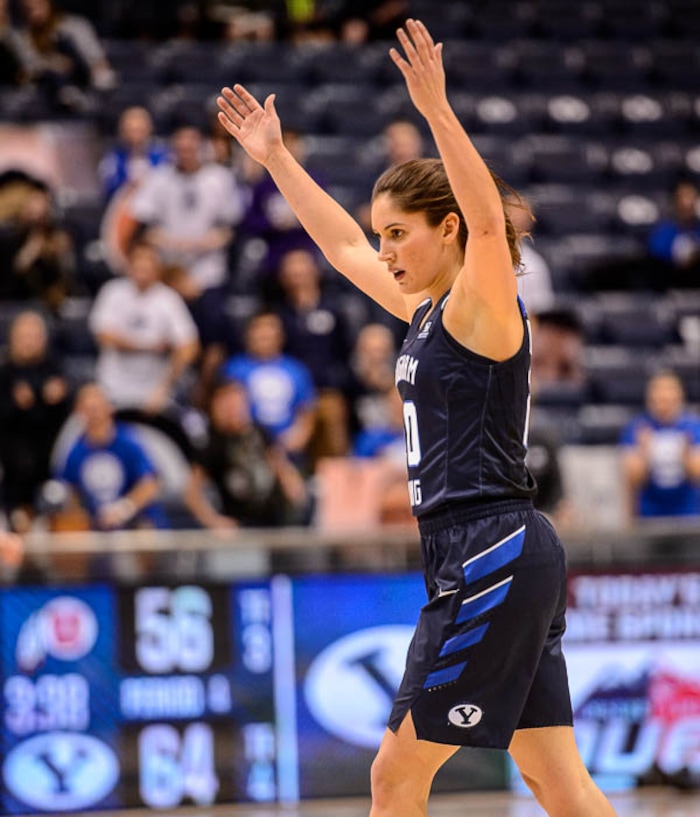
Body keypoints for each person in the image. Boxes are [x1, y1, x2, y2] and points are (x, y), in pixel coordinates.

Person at [217, 18, 616, 817]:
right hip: (479, 550)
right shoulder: (424, 310)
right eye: (384, 235)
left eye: (400, 233)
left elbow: (492, 222)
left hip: (492, 547)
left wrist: (437, 111)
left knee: (394, 777)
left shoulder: (483, 304)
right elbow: (338, 248)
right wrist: (277, 159)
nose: (387, 248)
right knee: (558, 784)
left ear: (450, 230)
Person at [89, 239, 201, 457]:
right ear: (129, 265)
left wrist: (164, 387)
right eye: (137, 263)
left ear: (157, 267)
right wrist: (148, 345)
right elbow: (103, 335)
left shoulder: (168, 299)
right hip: (113, 389)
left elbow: (189, 346)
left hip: (153, 394)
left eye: (148, 263)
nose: (143, 269)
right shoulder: (113, 292)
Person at [184, 378, 308, 530]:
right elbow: (191, 493)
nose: (234, 407)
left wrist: (291, 482)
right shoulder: (212, 443)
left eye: (238, 401)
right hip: (241, 526)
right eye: (227, 402)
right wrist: (214, 521)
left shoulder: (260, 432)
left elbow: (280, 464)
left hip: (275, 521)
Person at [53, 382, 167, 531]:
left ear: (108, 408)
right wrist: (79, 515)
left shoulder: (129, 442)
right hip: (94, 523)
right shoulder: (75, 451)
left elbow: (150, 484)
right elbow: (69, 489)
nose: (94, 415)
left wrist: (124, 508)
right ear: (79, 412)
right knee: (68, 531)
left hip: (132, 519)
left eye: (97, 408)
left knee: (146, 532)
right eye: (88, 410)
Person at [0, 310, 70, 532]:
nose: (29, 342)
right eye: (23, 336)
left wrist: (60, 399)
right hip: (11, 468)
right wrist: (14, 404)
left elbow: (70, 418)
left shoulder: (56, 369)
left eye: (34, 336)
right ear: (12, 339)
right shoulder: (4, 373)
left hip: (51, 463)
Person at [620, 370, 700, 521]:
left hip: (688, 516)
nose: (663, 398)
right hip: (649, 517)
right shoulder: (638, 427)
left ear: (679, 396)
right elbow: (631, 477)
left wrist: (685, 455)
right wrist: (644, 453)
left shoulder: (693, 427)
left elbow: (697, 472)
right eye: (659, 393)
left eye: (668, 392)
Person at [646, 175, 700, 290]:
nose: (687, 203)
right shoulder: (663, 233)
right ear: (674, 201)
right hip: (670, 290)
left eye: (692, 198)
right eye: (683, 197)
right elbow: (659, 255)